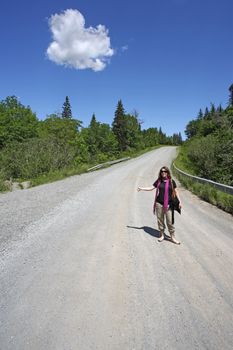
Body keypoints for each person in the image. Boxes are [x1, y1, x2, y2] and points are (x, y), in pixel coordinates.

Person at [137, 166, 182, 244]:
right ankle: (161, 235)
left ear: (167, 172)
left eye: (165, 171)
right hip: (159, 204)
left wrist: (180, 202)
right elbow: (151, 188)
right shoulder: (159, 181)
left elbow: (176, 191)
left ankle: (173, 237)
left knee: (170, 221)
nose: (163, 173)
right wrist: (142, 188)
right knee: (160, 220)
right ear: (160, 173)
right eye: (162, 171)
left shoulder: (171, 181)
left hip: (169, 204)